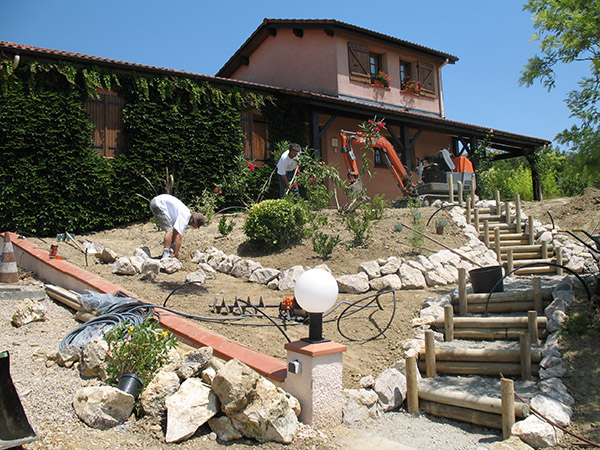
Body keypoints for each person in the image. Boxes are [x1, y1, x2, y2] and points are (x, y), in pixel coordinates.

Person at [149, 194, 206, 259]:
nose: (194, 227)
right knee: (169, 230)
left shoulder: (186, 214)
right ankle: (166, 254)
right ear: (195, 222)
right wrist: (176, 253)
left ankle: (169, 248)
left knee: (171, 230)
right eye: (196, 226)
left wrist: (173, 246)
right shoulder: (185, 217)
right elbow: (178, 236)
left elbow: (176, 231)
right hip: (158, 205)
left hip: (158, 202)